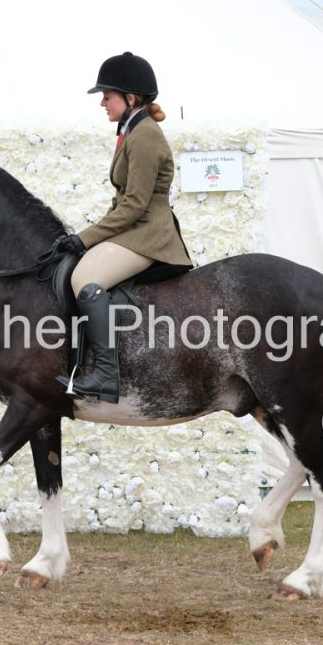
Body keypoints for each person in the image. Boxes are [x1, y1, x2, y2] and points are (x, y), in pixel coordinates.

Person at [55, 52, 192, 404]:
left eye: (107, 96)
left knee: (85, 279)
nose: (102, 103)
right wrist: (86, 237)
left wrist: (85, 238)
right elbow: (122, 203)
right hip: (134, 230)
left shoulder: (145, 136)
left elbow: (134, 204)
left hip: (149, 235)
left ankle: (105, 374)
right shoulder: (133, 130)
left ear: (130, 98)